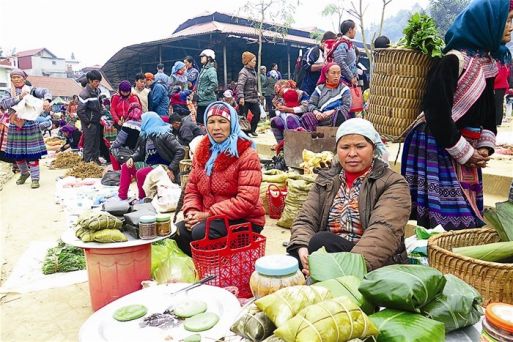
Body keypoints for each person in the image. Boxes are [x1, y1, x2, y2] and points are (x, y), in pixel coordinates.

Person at [402, 0, 513, 230]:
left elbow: (490, 112)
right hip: (437, 144)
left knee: (467, 221)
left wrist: (484, 147)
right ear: (488, 23)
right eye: (508, 20)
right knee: (439, 225)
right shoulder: (453, 61)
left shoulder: (489, 65)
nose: (511, 27)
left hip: (467, 148)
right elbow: (437, 112)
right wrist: (464, 152)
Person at [288, 118, 411, 273]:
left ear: (374, 148)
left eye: (360, 146)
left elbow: (383, 232)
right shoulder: (326, 179)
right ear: (337, 150)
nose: (352, 153)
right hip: (327, 255)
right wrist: (302, 249)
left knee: (322, 241)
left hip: (369, 263)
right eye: (345, 147)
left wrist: (347, 269)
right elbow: (306, 218)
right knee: (289, 260)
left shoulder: (393, 183)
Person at [173, 102, 265, 256]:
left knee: (201, 232)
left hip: (244, 220)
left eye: (222, 122)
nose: (216, 127)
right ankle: (203, 269)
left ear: (232, 124)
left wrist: (208, 215)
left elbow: (246, 201)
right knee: (180, 231)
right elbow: (192, 189)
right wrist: (192, 212)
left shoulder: (246, 154)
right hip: (212, 218)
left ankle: (221, 269)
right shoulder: (202, 152)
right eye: (211, 122)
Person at [0, 69, 52, 188]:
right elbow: (3, 104)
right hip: (15, 125)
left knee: (32, 154)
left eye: (19, 77)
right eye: (14, 77)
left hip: (30, 125)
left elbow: (45, 91)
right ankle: (24, 173)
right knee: (17, 154)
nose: (17, 79)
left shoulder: (32, 90)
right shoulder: (8, 92)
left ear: (24, 78)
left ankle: (35, 179)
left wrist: (46, 100)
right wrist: (19, 97)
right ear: (11, 79)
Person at [118, 112, 184, 200]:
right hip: (149, 164)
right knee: (126, 166)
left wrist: (171, 168)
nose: (141, 123)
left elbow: (180, 150)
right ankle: (122, 197)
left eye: (143, 121)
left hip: (163, 166)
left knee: (141, 173)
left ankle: (144, 198)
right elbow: (140, 152)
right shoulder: (145, 135)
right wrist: (132, 158)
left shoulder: (164, 134)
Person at [300, 63, 352, 131]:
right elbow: (311, 104)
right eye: (333, 73)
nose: (336, 76)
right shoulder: (319, 88)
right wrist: (317, 113)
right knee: (307, 116)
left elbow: (346, 106)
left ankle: (335, 135)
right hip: (320, 117)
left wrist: (330, 112)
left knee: (340, 114)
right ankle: (315, 136)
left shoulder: (345, 89)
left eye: (338, 73)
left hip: (335, 117)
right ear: (326, 75)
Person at [300, 31, 338, 95]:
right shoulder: (314, 51)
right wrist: (323, 65)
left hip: (323, 91)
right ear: (323, 42)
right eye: (330, 44)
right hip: (309, 89)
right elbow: (306, 66)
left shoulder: (332, 55)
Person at [77, 70, 103, 164]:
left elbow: (100, 103)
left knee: (97, 141)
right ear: (89, 80)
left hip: (96, 120)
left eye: (99, 81)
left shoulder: (98, 91)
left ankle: (96, 160)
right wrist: (88, 122)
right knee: (89, 142)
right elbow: (80, 111)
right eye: (96, 81)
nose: (98, 84)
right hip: (89, 123)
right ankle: (87, 162)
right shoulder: (84, 94)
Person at [109, 103, 142, 170]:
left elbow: (119, 141)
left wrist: (112, 145)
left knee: (111, 150)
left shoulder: (127, 124)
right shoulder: (143, 124)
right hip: (139, 153)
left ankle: (117, 171)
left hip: (129, 153)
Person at [237, 51, 261, 137]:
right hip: (245, 98)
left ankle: (252, 130)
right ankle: (244, 133)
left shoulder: (253, 71)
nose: (255, 62)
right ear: (248, 61)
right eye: (253, 61)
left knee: (258, 114)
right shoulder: (243, 72)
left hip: (253, 98)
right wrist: (241, 97)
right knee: (243, 117)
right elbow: (240, 85)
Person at [332, 19, 358, 85]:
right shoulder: (342, 44)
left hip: (348, 81)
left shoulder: (348, 44)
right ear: (350, 30)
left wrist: (354, 77)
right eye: (355, 29)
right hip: (342, 82)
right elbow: (340, 62)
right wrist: (351, 77)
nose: (355, 31)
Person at [196, 49, 218, 126]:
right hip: (201, 101)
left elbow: (214, 84)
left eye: (203, 56)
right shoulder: (203, 70)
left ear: (209, 58)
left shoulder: (211, 70)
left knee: (205, 122)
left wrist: (205, 93)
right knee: (199, 122)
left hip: (207, 101)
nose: (201, 58)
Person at [494, 61, 510, 126]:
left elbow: (500, 76)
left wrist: (491, 81)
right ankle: (496, 121)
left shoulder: (501, 64)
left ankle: (498, 121)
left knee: (498, 104)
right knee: (497, 104)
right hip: (498, 86)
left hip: (500, 87)